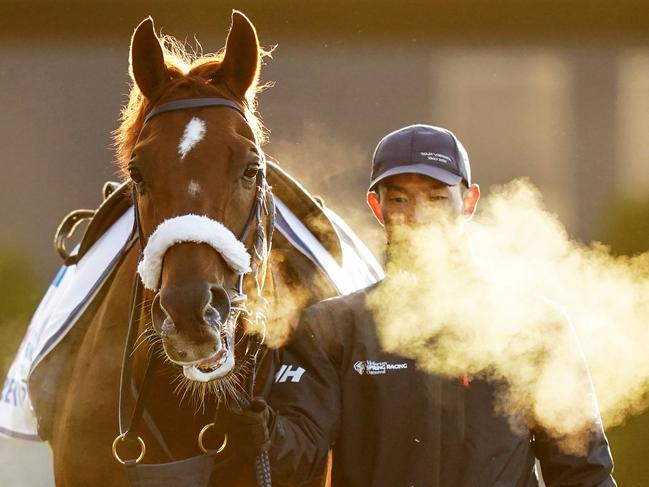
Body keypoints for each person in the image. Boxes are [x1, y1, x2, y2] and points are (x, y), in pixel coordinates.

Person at [224, 124, 616, 486]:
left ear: (469, 202)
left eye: (437, 197)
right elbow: (297, 456)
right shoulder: (330, 327)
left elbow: (584, 470)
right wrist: (264, 433)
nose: (417, 215)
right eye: (399, 198)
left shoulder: (533, 325)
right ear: (377, 208)